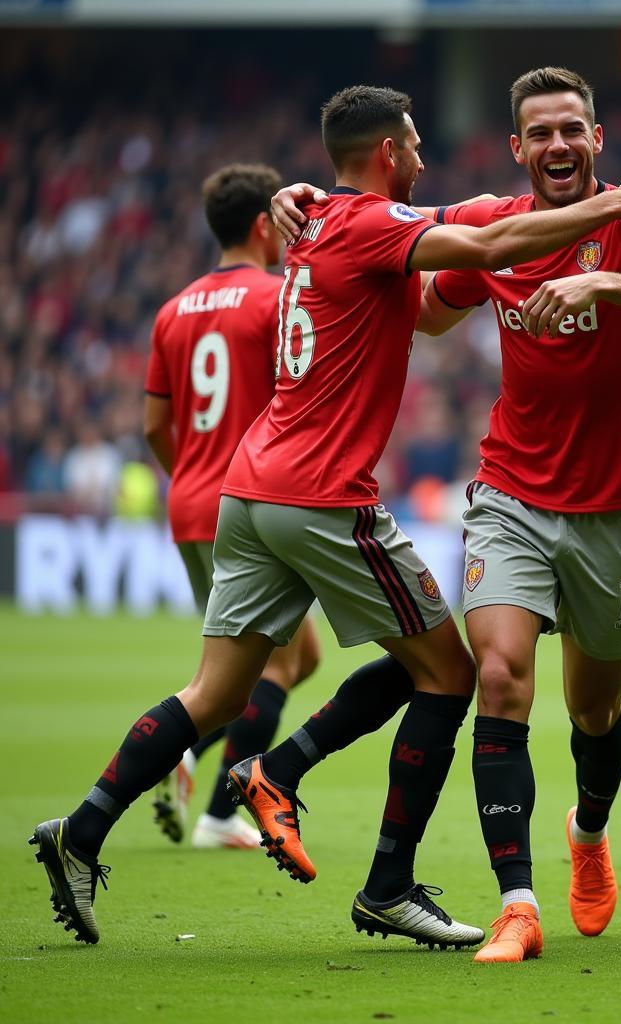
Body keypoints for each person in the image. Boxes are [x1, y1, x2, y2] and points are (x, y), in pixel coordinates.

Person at [29, 83, 621, 950]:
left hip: (249, 488)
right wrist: (617, 201)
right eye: (412, 146)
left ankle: (81, 831)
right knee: (451, 674)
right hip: (322, 497)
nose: (421, 159)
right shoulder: (375, 225)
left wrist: (291, 192)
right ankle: (382, 879)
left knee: (217, 693)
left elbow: (471, 231)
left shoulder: (321, 224)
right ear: (386, 154)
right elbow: (487, 236)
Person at [271, 66, 621, 964]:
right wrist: (314, 208)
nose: (559, 146)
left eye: (573, 130)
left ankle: (588, 835)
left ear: (596, 138)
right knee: (502, 677)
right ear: (518, 148)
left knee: (595, 712)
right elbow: (425, 310)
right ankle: (518, 905)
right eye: (541, 134)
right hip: (510, 496)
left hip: (611, 509)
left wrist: (605, 290)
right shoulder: (497, 229)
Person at [143, 164, 321, 851]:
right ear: (261, 225)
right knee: (270, 667)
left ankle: (187, 760)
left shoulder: (172, 309)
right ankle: (213, 803)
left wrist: (188, 473)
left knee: (291, 659)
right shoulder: (276, 299)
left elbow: (155, 425)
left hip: (190, 503)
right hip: (252, 505)